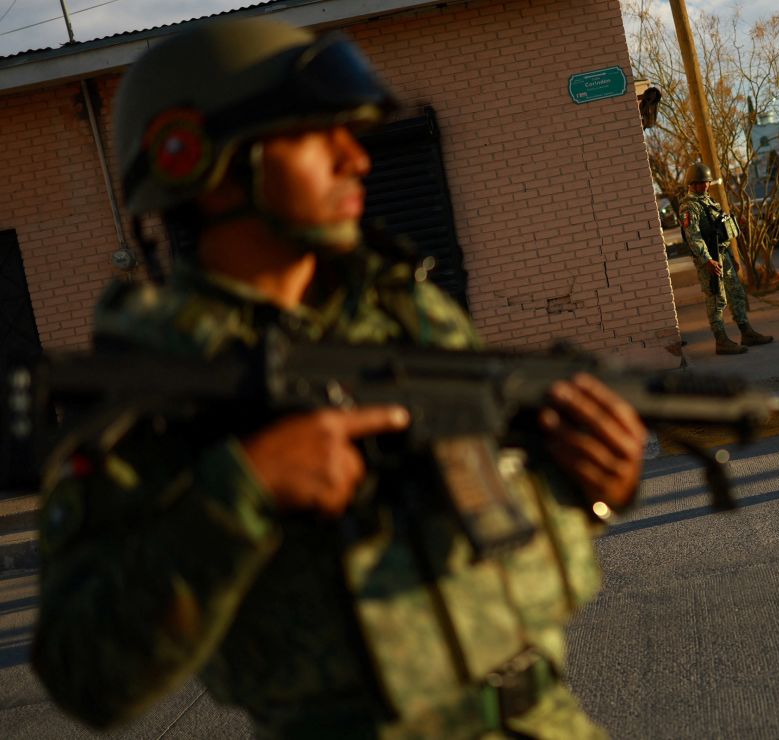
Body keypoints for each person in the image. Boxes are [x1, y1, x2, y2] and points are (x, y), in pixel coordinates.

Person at [32, 18, 648, 738]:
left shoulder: (407, 313)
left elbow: (487, 514)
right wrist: (244, 491)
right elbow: (86, 676)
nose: (357, 158)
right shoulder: (155, 381)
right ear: (199, 159)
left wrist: (594, 489)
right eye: (315, 135)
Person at [679, 162, 773, 354]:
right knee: (716, 298)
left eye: (707, 182)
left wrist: (731, 256)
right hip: (709, 260)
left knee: (736, 292)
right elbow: (693, 236)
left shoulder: (709, 201)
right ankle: (721, 340)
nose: (705, 186)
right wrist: (707, 260)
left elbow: (722, 231)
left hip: (723, 255)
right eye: (701, 182)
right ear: (692, 184)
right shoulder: (689, 207)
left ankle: (746, 332)